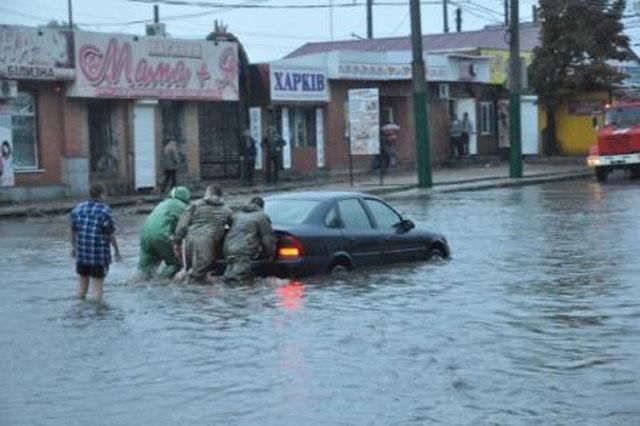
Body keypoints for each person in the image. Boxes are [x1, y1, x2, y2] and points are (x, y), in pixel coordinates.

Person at [70, 183, 120, 302]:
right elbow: (110, 234)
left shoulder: (78, 208)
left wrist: (73, 247)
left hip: (82, 254)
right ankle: (97, 318)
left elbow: (73, 230)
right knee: (97, 291)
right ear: (102, 195)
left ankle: (81, 313)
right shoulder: (105, 211)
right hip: (99, 256)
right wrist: (117, 251)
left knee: (81, 290)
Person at [173, 184, 233, 283]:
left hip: (190, 241)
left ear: (207, 194)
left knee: (188, 270)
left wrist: (177, 242)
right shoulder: (226, 210)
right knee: (197, 277)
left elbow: (182, 225)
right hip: (207, 243)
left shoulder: (195, 205)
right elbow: (234, 227)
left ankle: (180, 289)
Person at [138, 186, 191, 279]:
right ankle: (161, 282)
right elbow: (190, 226)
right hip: (161, 235)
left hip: (144, 234)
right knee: (175, 263)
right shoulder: (183, 207)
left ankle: (137, 283)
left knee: (145, 269)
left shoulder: (162, 204)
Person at [223, 196, 276, 284]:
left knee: (229, 275)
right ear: (262, 207)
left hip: (228, 248)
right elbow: (267, 238)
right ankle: (239, 295)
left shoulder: (237, 215)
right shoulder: (261, 217)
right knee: (240, 279)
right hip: (244, 250)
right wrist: (270, 254)